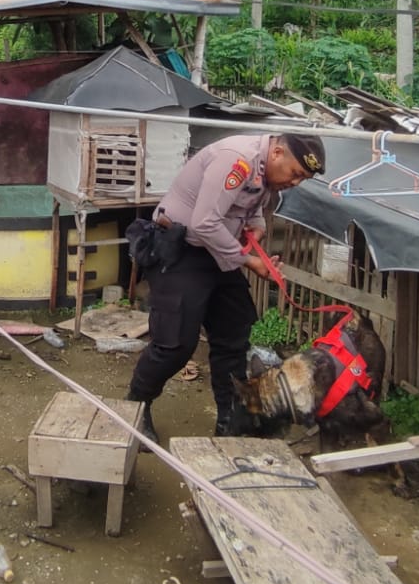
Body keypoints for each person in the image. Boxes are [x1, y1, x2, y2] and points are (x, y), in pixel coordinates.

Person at [125, 132, 326, 442]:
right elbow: (203, 223)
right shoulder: (237, 159)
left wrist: (257, 225)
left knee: (233, 335)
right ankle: (137, 405)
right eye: (296, 173)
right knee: (175, 344)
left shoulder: (264, 170)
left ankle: (230, 417)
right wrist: (249, 261)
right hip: (182, 250)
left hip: (219, 252)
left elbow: (249, 201)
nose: (295, 182)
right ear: (277, 153)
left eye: (303, 178)